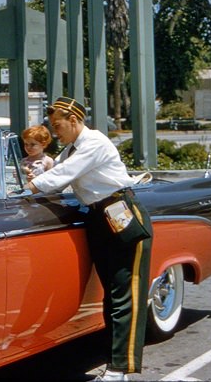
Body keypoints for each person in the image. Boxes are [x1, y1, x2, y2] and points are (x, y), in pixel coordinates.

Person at [26, 96, 153, 382]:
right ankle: (113, 361)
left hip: (121, 213)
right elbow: (53, 170)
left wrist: (30, 185)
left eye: (57, 126)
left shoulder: (94, 143)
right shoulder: (71, 148)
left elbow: (61, 176)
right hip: (98, 216)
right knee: (111, 294)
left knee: (125, 295)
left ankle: (121, 369)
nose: (54, 132)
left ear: (74, 120)